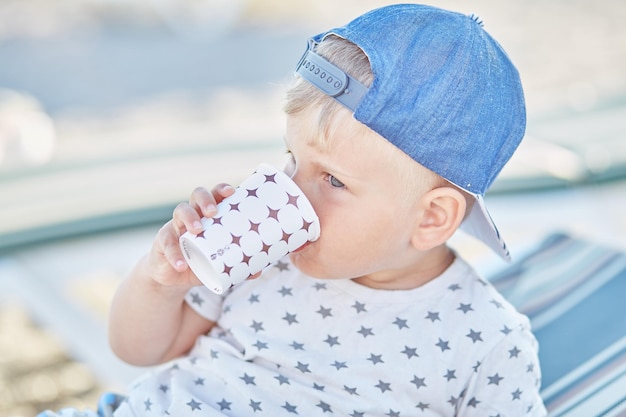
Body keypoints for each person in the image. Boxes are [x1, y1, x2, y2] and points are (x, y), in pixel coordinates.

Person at [40, 4, 546, 416]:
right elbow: (139, 352)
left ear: (432, 218)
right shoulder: (258, 255)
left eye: (331, 179)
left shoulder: (485, 343)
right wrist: (160, 282)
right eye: (291, 158)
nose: (289, 190)